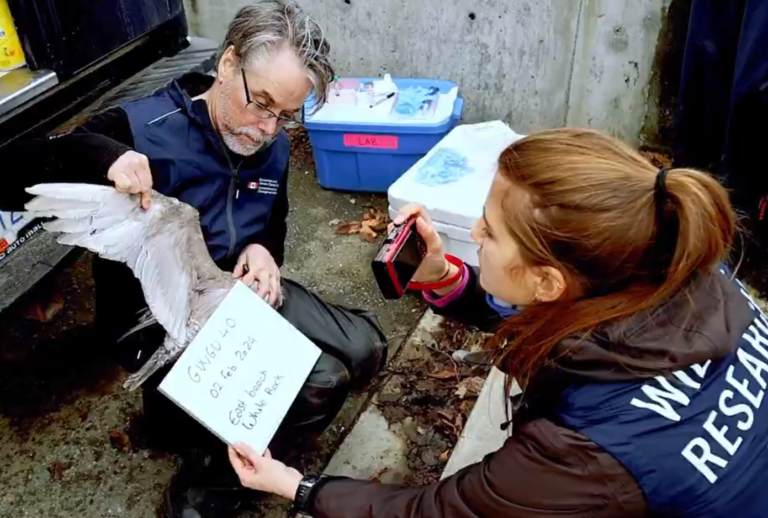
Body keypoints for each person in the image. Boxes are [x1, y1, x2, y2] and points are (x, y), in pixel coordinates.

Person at [226, 128, 768, 517]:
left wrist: (297, 486)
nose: (476, 236)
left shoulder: (580, 459)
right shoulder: (676, 260)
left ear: (549, 281)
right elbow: (544, 315)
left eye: (489, 230)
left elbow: (435, 511)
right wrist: (440, 274)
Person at [0, 2, 387, 516]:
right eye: (262, 103)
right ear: (228, 65)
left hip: (234, 292)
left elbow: (273, 224)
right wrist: (99, 155)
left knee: (366, 348)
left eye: (286, 115)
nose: (268, 129)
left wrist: (263, 253)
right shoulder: (140, 129)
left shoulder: (269, 143)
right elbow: (10, 170)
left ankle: (185, 421)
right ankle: (209, 484)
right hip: (156, 323)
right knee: (322, 385)